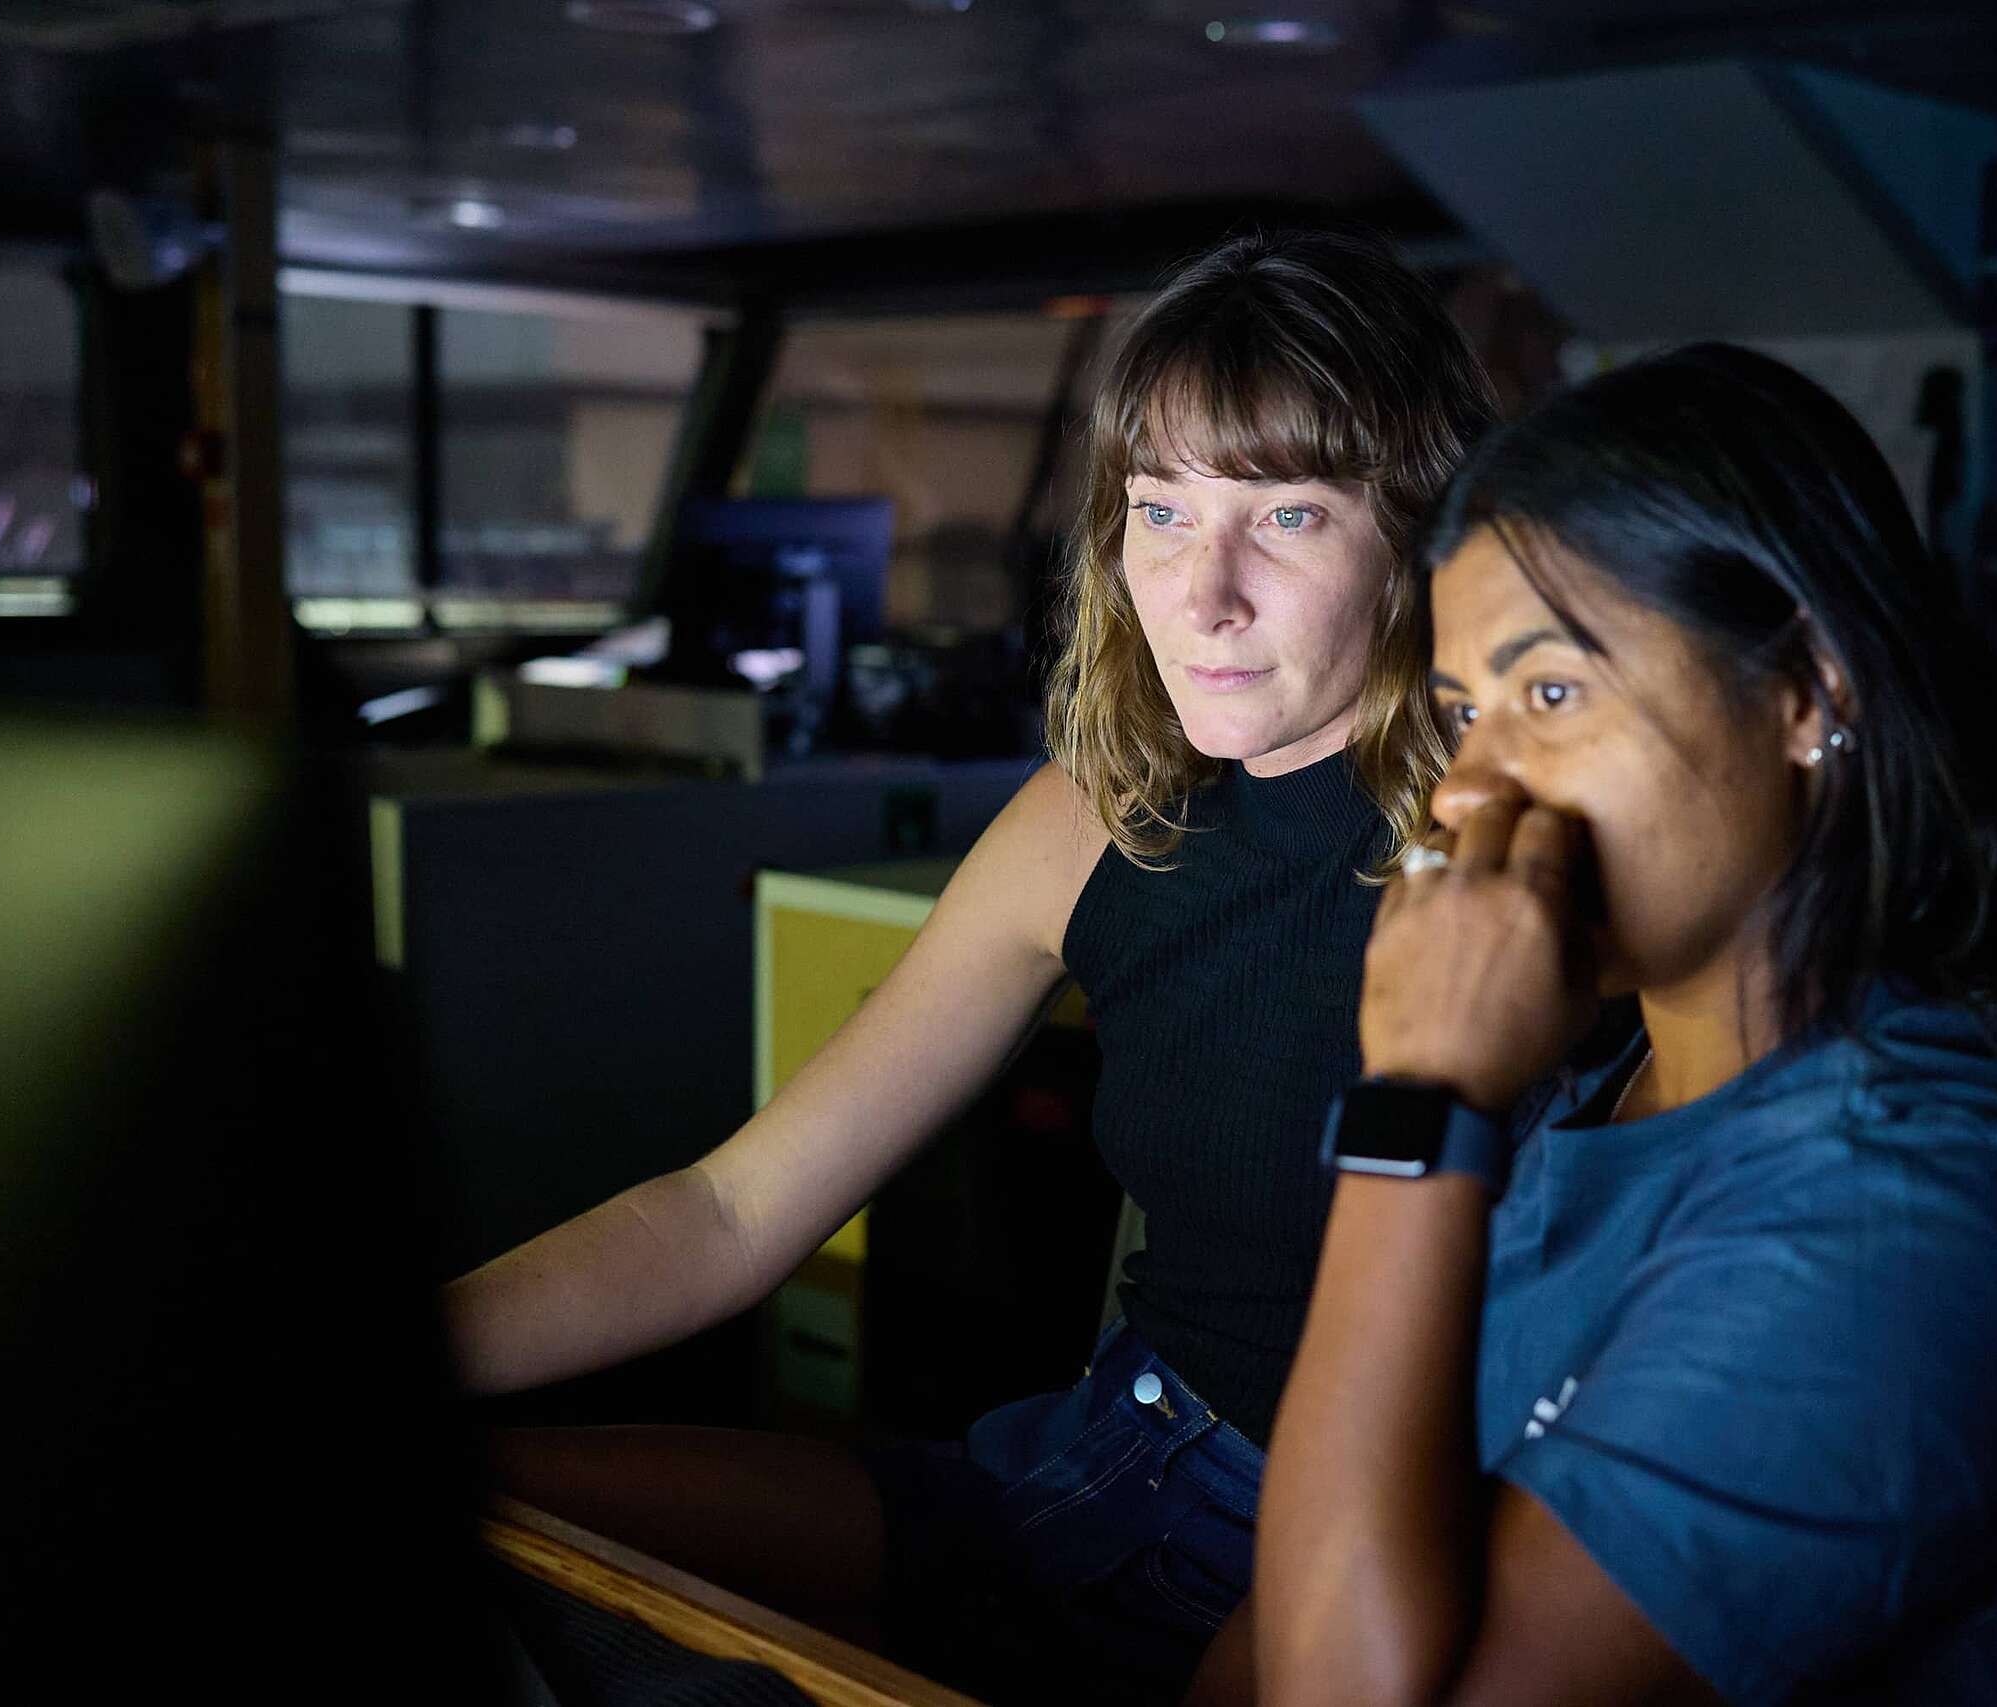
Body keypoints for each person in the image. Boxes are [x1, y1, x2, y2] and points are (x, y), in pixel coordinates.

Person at [443, 227, 1498, 1703]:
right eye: (1162, 511)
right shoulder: (1089, 820)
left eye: (1289, 519)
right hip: (1074, 1474)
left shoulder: (1523, 857)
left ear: (1418, 537)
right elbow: (730, 1210)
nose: (1201, 595)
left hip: (1346, 1556)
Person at [1256, 344, 1997, 1705]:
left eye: (1552, 693)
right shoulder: (1608, 1098)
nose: (1467, 789)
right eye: (1463, 714)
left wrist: (1419, 1095)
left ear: (1809, 693)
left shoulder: (1909, 1218)